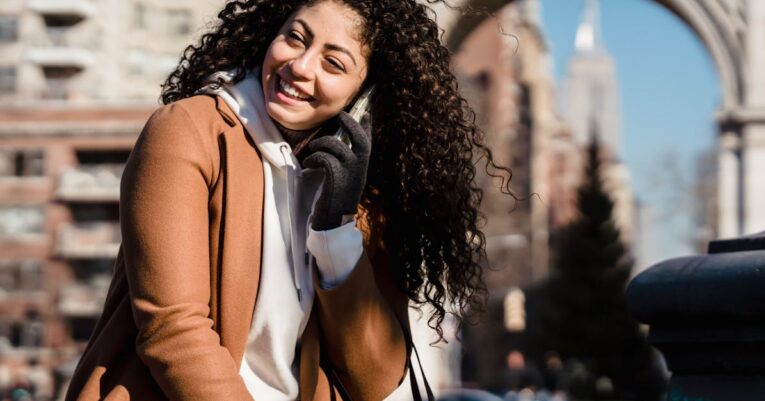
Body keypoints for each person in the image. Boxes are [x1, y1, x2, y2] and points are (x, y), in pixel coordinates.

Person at [65, 0, 511, 400]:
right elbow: (173, 332)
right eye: (295, 37)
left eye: (333, 64)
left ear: (366, 97)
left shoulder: (354, 190)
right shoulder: (189, 131)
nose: (300, 66)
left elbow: (378, 380)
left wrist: (337, 232)